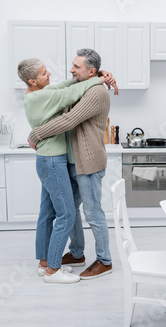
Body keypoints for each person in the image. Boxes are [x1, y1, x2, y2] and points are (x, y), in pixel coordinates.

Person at [18, 57, 109, 284]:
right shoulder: (44, 96)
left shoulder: (36, 95)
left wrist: (99, 75)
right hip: (53, 161)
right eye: (44, 73)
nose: (50, 75)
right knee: (67, 214)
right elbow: (69, 99)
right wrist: (98, 78)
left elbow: (66, 86)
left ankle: (44, 263)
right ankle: (53, 271)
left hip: (50, 160)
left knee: (47, 213)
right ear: (32, 81)